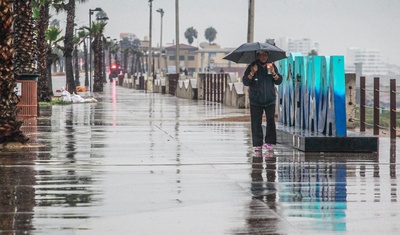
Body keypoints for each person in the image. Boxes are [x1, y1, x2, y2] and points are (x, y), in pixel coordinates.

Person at [242, 50, 283, 152]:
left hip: (270, 99)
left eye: (266, 55)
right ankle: (257, 143)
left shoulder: (271, 66)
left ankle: (269, 142)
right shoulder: (252, 66)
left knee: (270, 120)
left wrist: (273, 72)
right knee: (256, 122)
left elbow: (278, 81)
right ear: (258, 56)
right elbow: (246, 82)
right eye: (262, 55)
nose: (264, 57)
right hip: (256, 100)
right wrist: (252, 72)